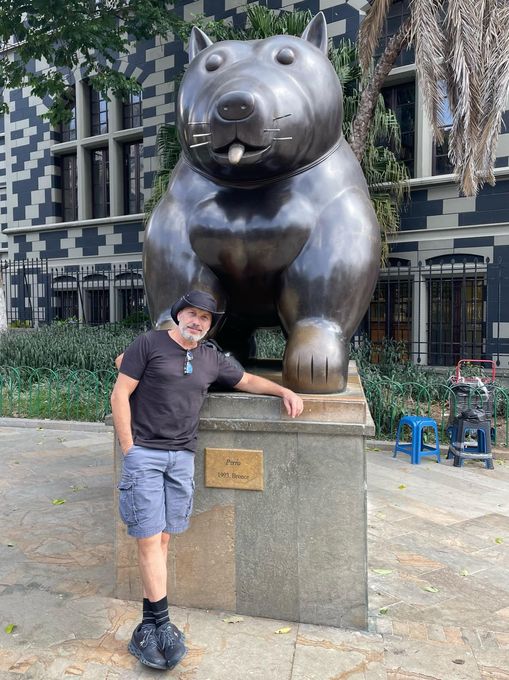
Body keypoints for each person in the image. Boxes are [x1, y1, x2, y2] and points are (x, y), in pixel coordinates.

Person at [110, 290, 303, 671]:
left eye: (205, 318)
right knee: (148, 538)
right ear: (178, 315)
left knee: (163, 539)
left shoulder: (210, 358)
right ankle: (163, 624)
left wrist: (283, 389)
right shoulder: (149, 344)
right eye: (192, 314)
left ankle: (148, 626)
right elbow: (120, 394)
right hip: (146, 454)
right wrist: (130, 449)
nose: (197, 322)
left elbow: (247, 380)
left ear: (210, 325)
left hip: (181, 458)